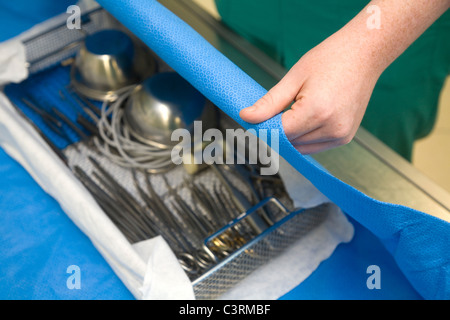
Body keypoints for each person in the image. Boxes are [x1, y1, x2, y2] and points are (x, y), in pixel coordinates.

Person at [215, 0, 450, 160]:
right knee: (240, 139)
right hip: (249, 12)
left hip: (379, 16)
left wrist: (366, 48)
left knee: (360, 163)